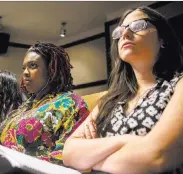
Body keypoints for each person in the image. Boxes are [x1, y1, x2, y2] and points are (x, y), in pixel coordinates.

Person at [63, 6, 183, 174]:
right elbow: (69, 153)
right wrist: (126, 141)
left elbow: (157, 156)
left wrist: (90, 160)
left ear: (163, 39)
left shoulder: (179, 84)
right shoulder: (111, 98)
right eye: (120, 31)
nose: (125, 34)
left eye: (139, 25)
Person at [0, 42, 90, 174]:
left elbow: (68, 157)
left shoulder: (71, 104)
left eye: (33, 66)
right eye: (24, 68)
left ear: (51, 70)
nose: (25, 73)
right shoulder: (24, 108)